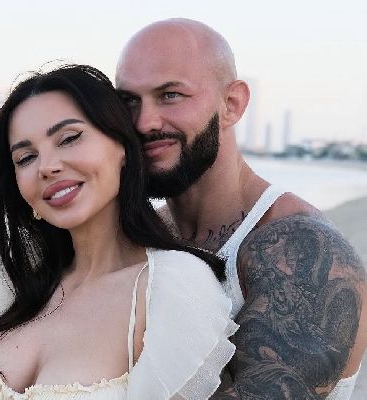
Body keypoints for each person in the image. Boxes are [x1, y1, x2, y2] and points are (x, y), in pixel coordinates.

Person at [0, 64, 239, 399]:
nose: (47, 166)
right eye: (25, 158)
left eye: (69, 139)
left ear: (122, 147)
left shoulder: (173, 287)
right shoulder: (5, 282)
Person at [115, 18, 367, 399]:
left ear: (231, 104)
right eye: (128, 101)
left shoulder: (303, 249)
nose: (144, 122)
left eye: (170, 95)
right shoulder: (141, 236)